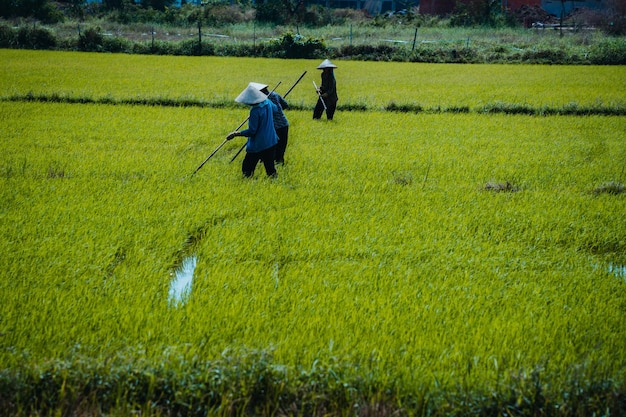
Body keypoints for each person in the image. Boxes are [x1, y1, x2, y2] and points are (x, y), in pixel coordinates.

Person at [226, 83, 279, 178]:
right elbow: (275, 109)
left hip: (259, 144)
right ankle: (275, 183)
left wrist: (236, 134)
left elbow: (252, 131)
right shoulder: (267, 101)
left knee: (247, 169)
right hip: (271, 140)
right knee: (270, 168)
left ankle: (246, 184)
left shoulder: (255, 111)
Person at [251, 82, 290, 165]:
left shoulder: (261, 100)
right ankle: (279, 162)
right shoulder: (275, 94)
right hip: (284, 124)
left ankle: (266, 162)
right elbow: (285, 105)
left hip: (272, 126)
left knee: (268, 146)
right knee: (281, 146)